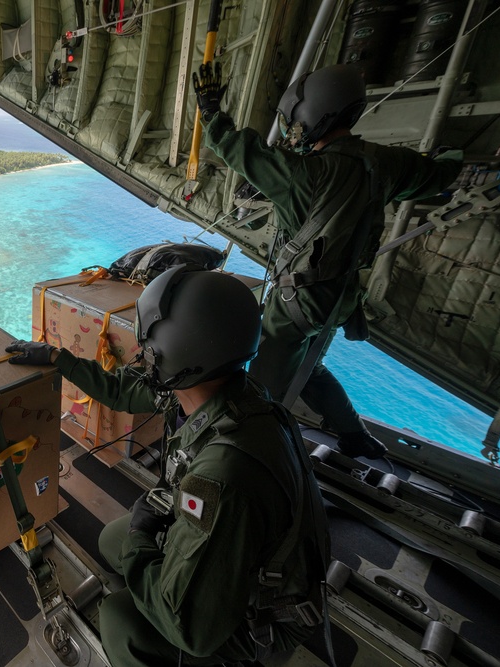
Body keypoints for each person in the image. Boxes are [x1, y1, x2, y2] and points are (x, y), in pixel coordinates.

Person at [7, 269, 330, 666]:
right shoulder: (218, 387)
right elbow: (122, 390)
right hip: (243, 548)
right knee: (114, 541)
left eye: (149, 348)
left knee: (120, 622)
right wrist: (59, 359)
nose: (143, 357)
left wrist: (144, 536)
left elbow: (189, 629)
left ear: (177, 353)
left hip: (262, 614)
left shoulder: (221, 478)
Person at [192, 62, 464, 459]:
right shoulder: (385, 163)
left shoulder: (302, 174)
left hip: (297, 302)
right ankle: (354, 434)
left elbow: (237, 148)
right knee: (310, 366)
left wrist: (210, 111)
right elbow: (437, 175)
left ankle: (248, 456)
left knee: (258, 389)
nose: (291, 131)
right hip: (340, 301)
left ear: (311, 118)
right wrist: (452, 156)